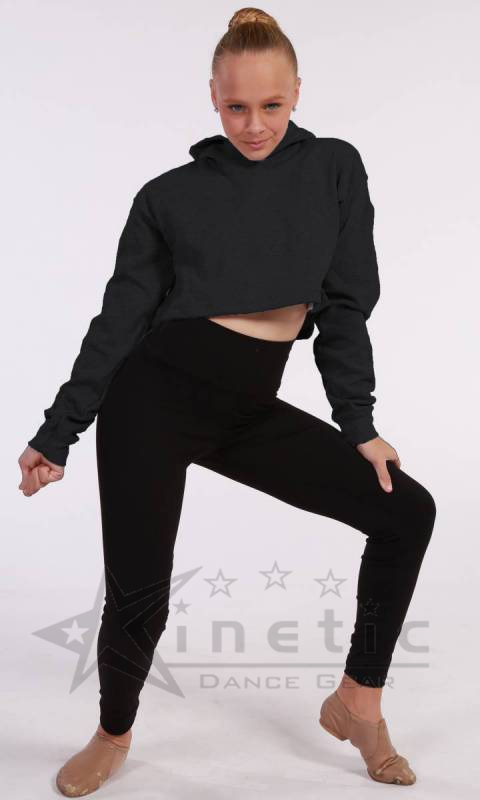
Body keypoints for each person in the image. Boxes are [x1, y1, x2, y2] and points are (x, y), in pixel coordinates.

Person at [19, 7, 436, 795]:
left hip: (245, 411)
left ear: (298, 91)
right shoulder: (168, 197)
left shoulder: (334, 169)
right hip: (151, 402)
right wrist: (59, 431)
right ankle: (113, 732)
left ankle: (359, 704)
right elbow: (118, 321)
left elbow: (345, 307)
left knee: (406, 512)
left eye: (271, 104)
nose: (254, 124)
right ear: (213, 96)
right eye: (236, 105)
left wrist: (359, 426)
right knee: (140, 594)